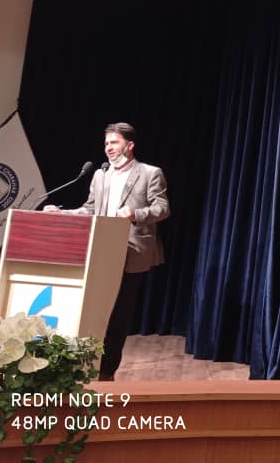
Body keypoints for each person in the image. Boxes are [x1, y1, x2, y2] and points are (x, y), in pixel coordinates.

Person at [46, 122, 170, 380]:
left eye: (114, 142)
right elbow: (90, 210)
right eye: (106, 144)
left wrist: (136, 213)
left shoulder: (150, 173)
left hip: (131, 252)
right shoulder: (100, 175)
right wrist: (63, 213)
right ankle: (83, 365)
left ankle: (107, 371)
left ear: (129, 145)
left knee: (119, 314)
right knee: (93, 311)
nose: (109, 148)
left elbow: (162, 208)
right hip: (99, 250)